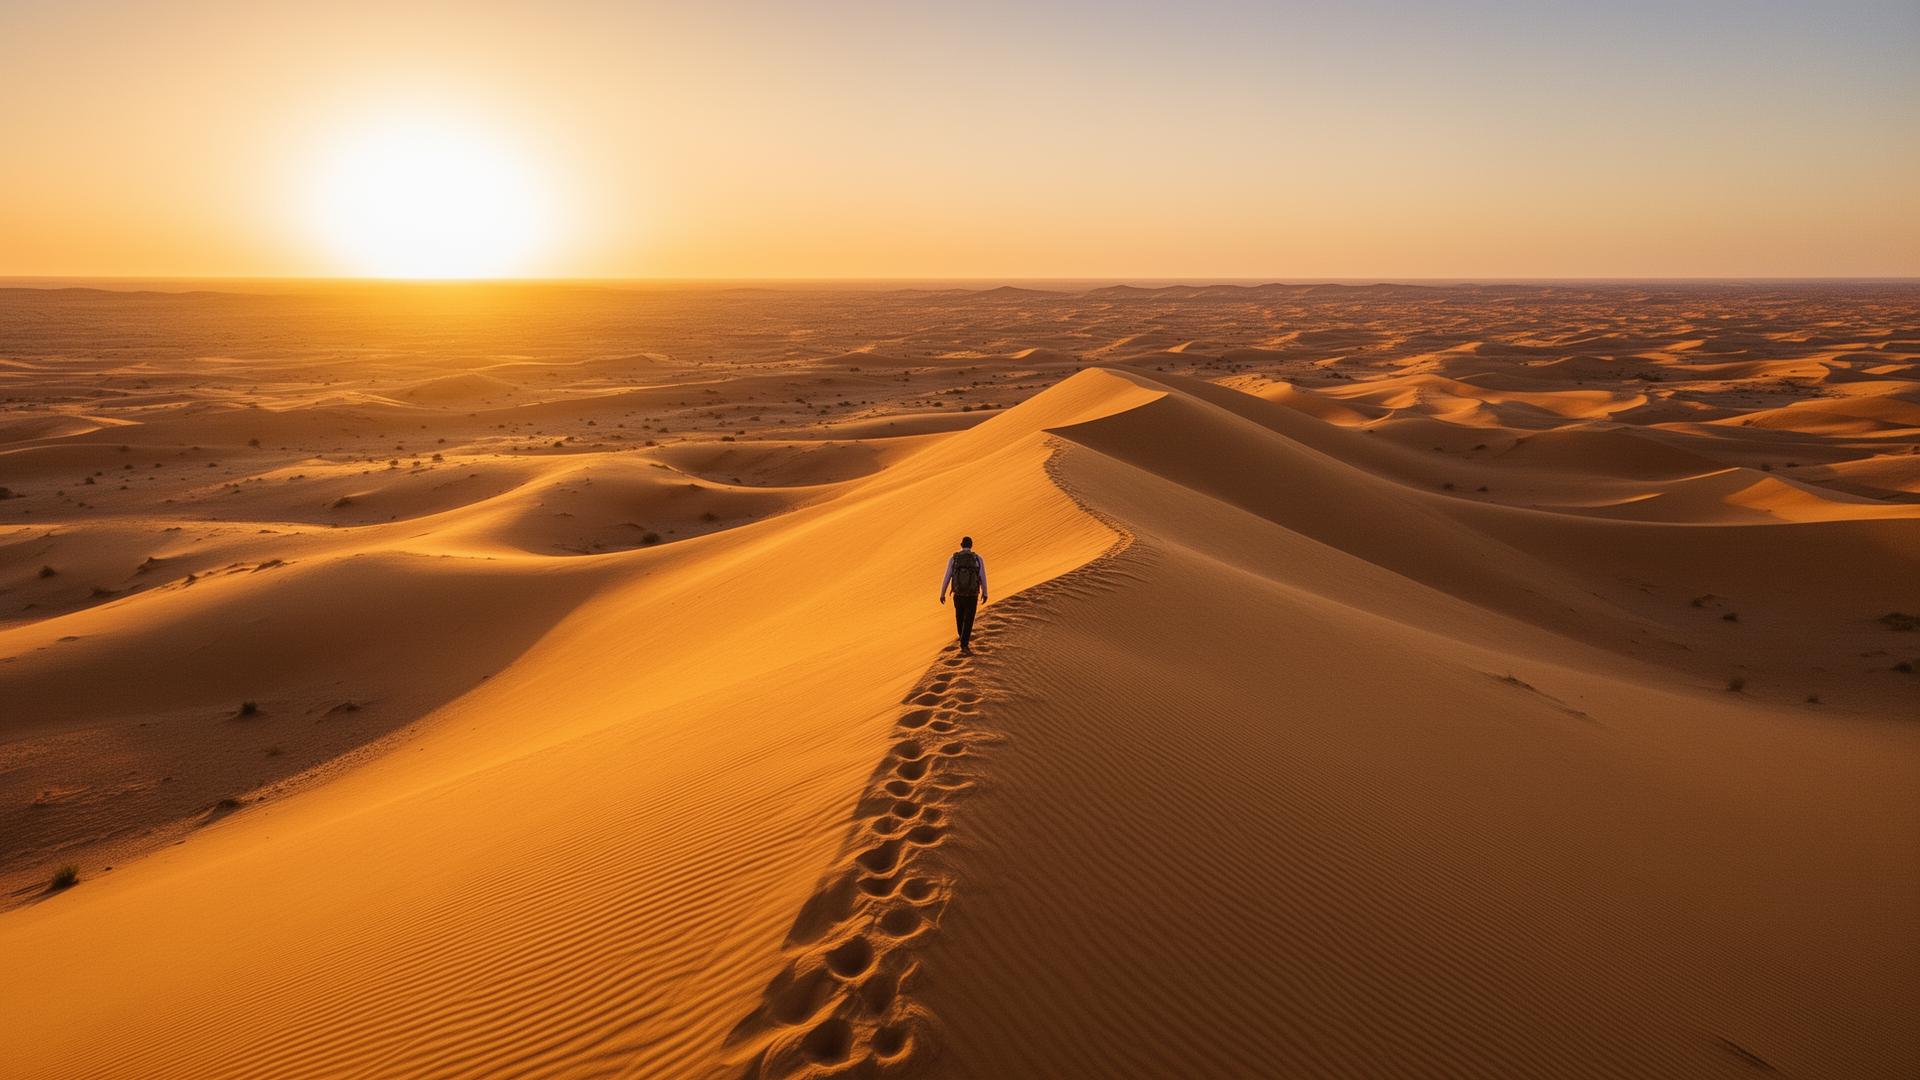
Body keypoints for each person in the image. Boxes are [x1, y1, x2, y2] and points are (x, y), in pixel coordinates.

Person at [938, 536, 989, 655]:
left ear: (961, 545)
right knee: (969, 618)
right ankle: (964, 643)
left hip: (958, 593)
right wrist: (985, 593)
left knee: (959, 617)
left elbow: (947, 577)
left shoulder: (953, 558)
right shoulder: (977, 558)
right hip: (972, 594)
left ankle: (962, 639)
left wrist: (942, 593)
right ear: (971, 545)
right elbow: (982, 577)